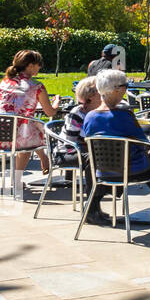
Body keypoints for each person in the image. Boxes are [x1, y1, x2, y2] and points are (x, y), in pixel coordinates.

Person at [82, 69, 150, 225]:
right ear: (117, 89)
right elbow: (143, 143)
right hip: (131, 170)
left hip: (103, 172)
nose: (126, 89)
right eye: (125, 86)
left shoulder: (90, 117)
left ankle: (92, 208)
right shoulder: (124, 115)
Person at [0, 49, 56, 182]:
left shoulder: (3, 83)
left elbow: (0, 108)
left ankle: (43, 157)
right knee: (29, 129)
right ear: (30, 65)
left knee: (28, 125)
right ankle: (17, 179)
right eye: (39, 64)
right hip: (20, 139)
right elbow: (50, 112)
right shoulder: (36, 86)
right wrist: (56, 103)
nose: (40, 67)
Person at [61, 76, 107, 224]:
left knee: (110, 160)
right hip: (67, 152)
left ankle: (95, 204)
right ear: (92, 96)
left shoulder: (102, 111)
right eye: (102, 92)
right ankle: (91, 208)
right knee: (93, 160)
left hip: (90, 151)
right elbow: (71, 142)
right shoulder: (78, 112)